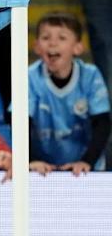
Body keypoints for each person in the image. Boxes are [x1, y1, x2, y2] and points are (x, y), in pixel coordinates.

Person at [28, 12, 110, 176]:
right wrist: (30, 159)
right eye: (46, 37)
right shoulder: (31, 76)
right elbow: (19, 122)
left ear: (78, 47)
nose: (52, 43)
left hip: (86, 168)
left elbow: (102, 124)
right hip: (43, 169)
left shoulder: (90, 75)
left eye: (62, 38)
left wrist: (87, 161)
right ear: (36, 46)